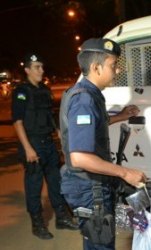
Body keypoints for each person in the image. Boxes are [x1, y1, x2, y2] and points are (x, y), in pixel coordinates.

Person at [59, 38, 147, 250]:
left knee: (98, 241)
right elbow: (80, 157)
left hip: (92, 184)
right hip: (89, 186)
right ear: (95, 67)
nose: (116, 71)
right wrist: (125, 173)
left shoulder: (89, 94)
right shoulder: (84, 100)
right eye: (113, 65)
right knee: (101, 244)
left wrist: (122, 116)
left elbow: (97, 123)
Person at [11, 53, 78, 240]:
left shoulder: (44, 90)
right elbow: (17, 122)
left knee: (56, 181)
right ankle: (37, 223)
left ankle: (62, 217)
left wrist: (59, 135)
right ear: (27, 70)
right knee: (34, 185)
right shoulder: (21, 92)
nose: (41, 70)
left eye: (42, 66)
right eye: (36, 67)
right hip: (32, 143)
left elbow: (50, 116)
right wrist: (28, 149)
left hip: (48, 143)